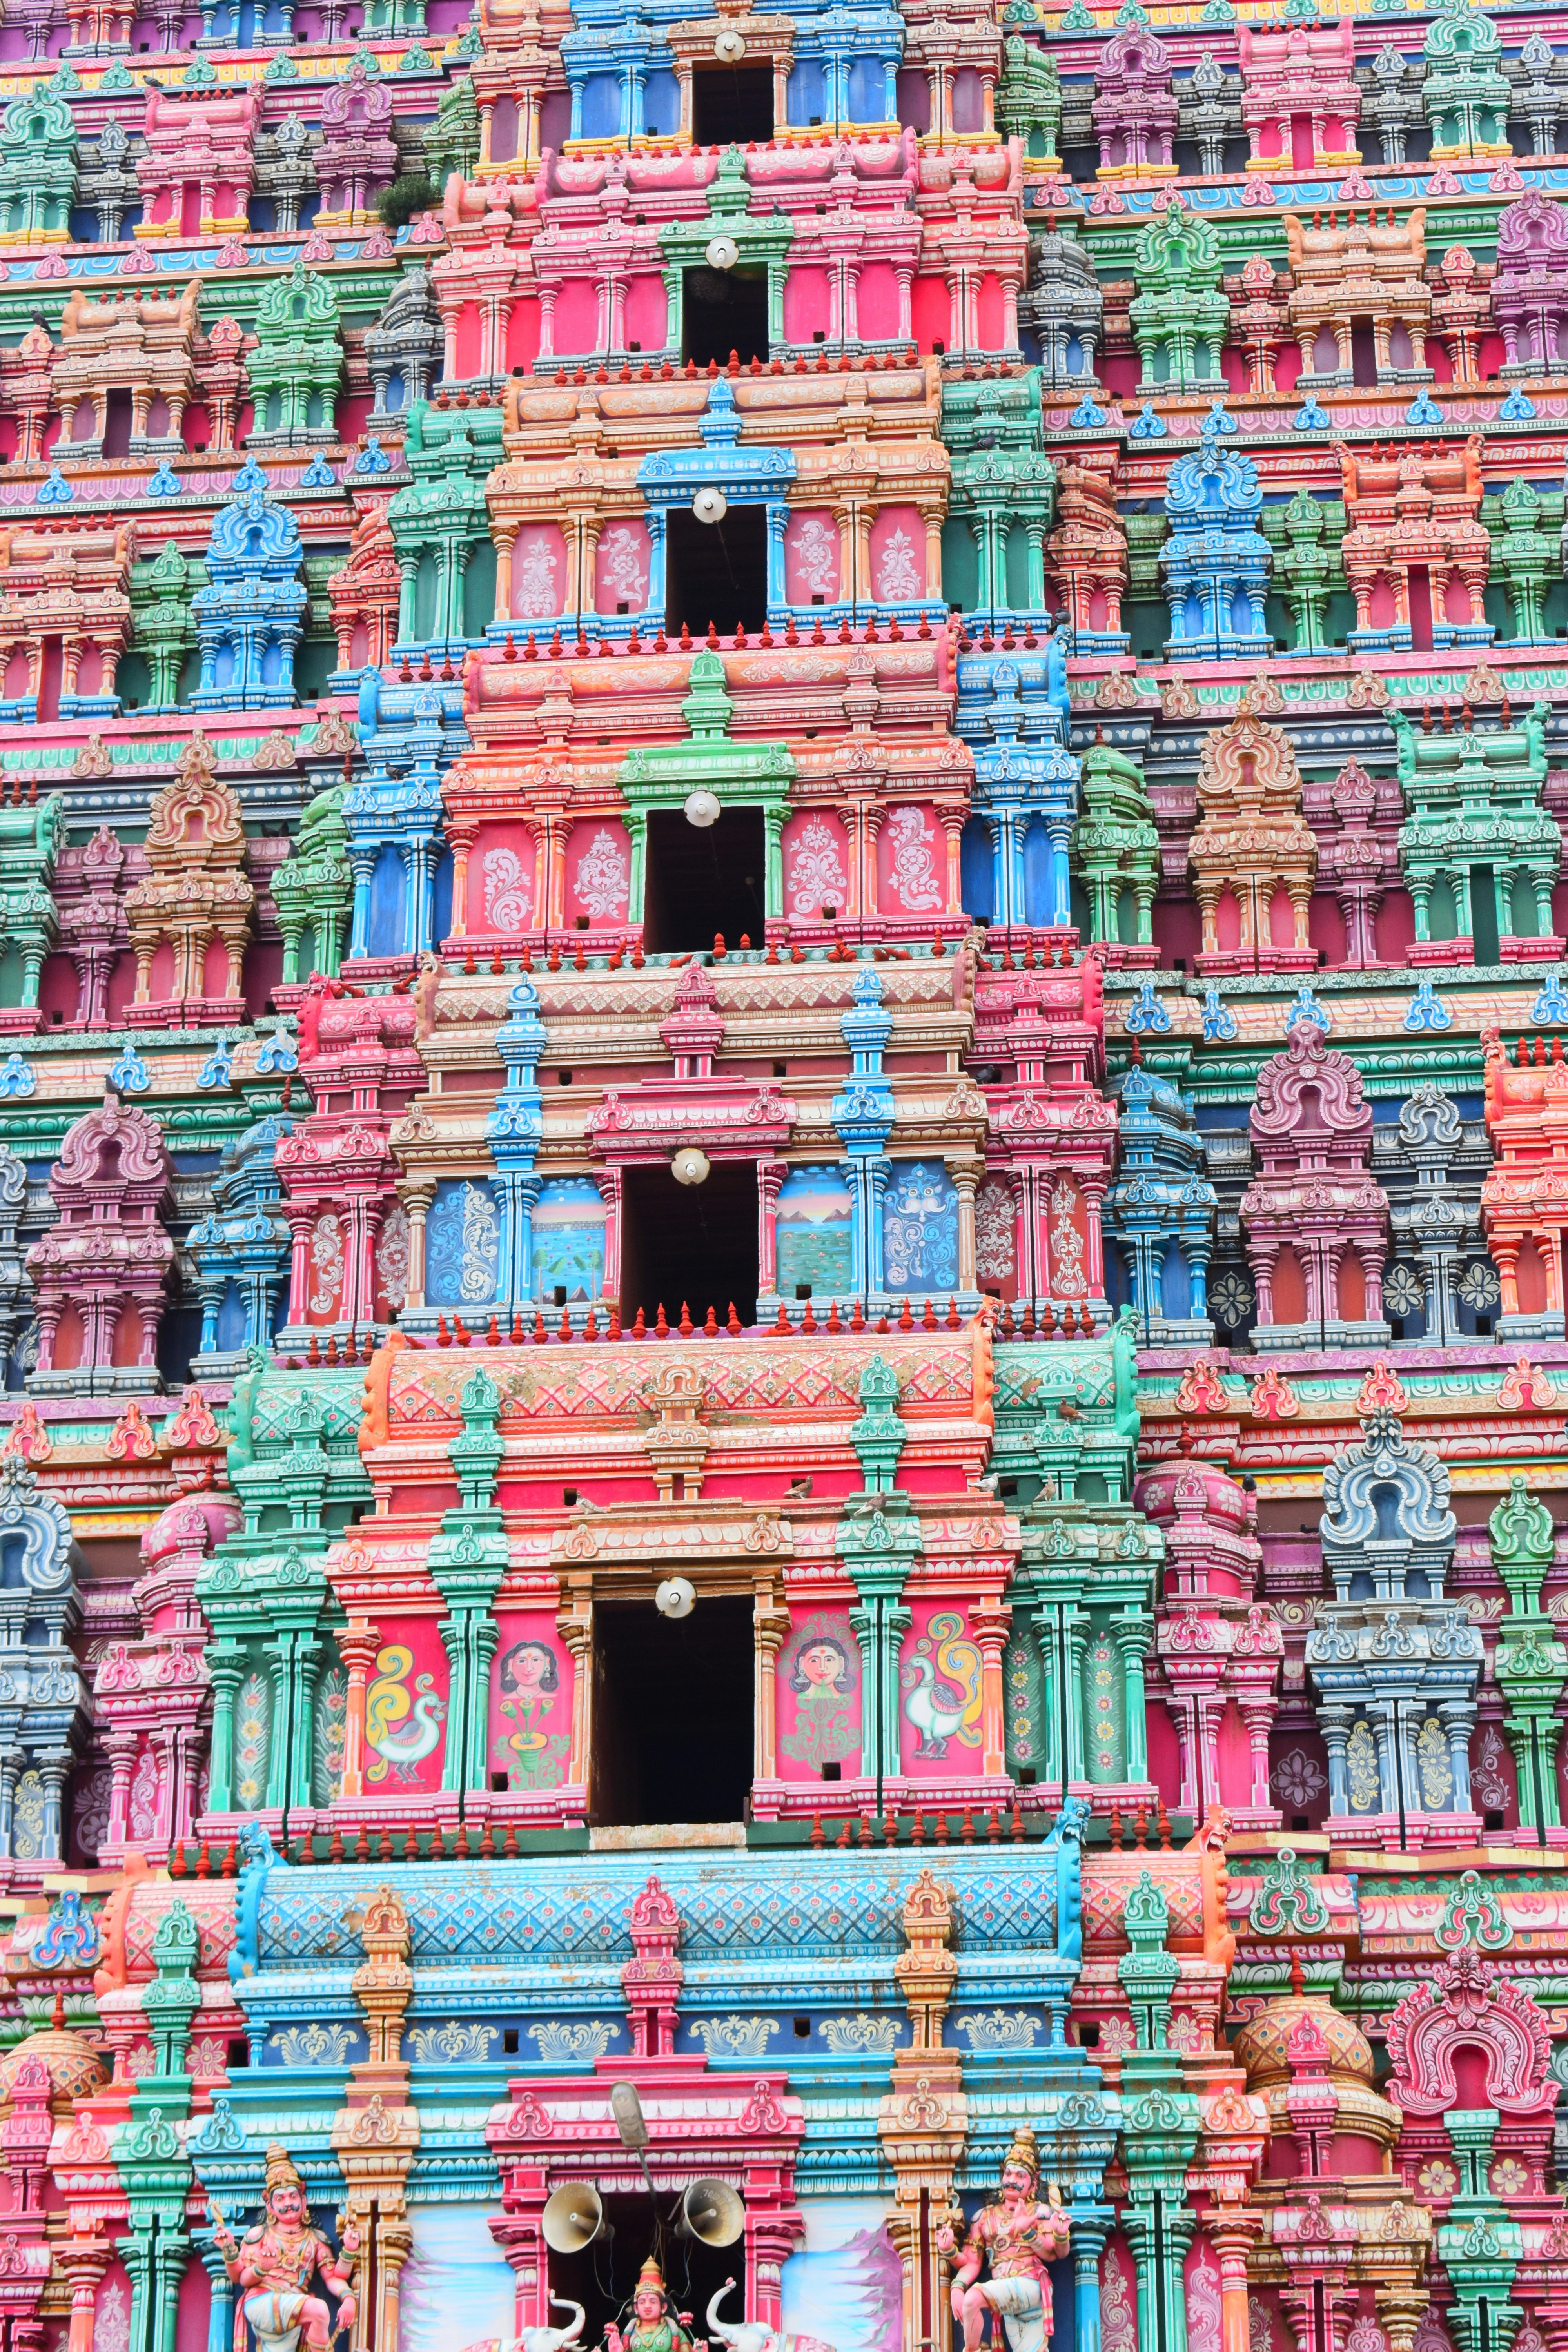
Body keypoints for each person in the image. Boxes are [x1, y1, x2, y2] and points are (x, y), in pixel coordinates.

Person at [211, 2142, 358, 2352]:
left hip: (293, 2311)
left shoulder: (316, 2239)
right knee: (319, 2310)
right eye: (280, 2199)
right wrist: (258, 2265)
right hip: (261, 2301)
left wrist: (349, 2294)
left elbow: (333, 2277)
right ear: (270, 2206)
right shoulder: (260, 2235)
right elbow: (240, 2278)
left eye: (293, 2196)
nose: (288, 2203)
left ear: (303, 2200)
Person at [938, 2126, 1070, 2352]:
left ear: (1033, 2184)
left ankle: (972, 2350)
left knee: (972, 2300)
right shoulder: (985, 2218)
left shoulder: (1040, 2211)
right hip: (1008, 2299)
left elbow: (1055, 2252)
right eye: (1008, 2174)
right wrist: (951, 2254)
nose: (1012, 2180)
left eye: (1020, 2176)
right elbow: (971, 2261)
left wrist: (1044, 2233)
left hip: (1029, 2285)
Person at [605, 2259, 697, 2352]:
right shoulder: (629, 2334)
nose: (647, 2306)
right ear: (636, 2308)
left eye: (653, 2302)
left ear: (663, 2307)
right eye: (642, 2302)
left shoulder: (675, 2332)